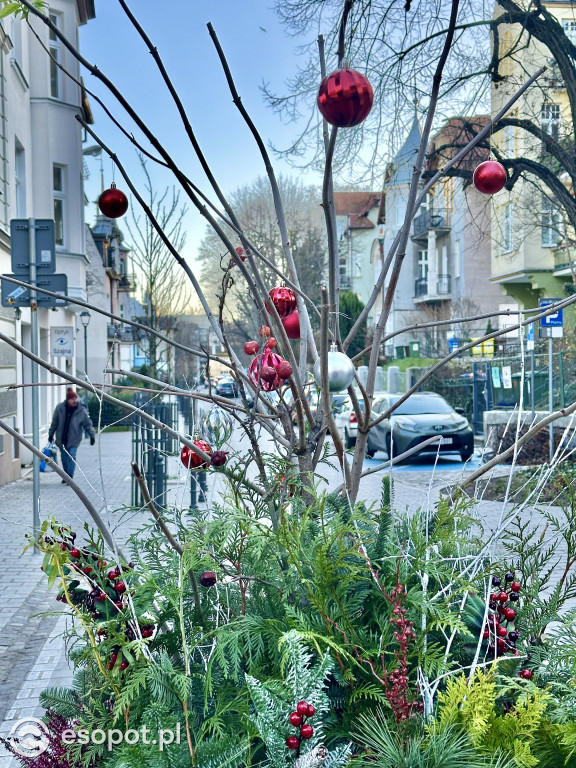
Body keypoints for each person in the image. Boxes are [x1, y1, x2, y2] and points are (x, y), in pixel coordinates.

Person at [48, 387, 96, 483]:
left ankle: (70, 476)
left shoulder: (81, 410)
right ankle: (66, 476)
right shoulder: (60, 408)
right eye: (72, 399)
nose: (74, 401)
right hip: (62, 438)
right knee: (64, 458)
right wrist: (51, 434)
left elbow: (87, 424)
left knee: (72, 456)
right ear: (68, 399)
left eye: (75, 398)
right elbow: (55, 423)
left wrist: (92, 435)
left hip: (74, 439)